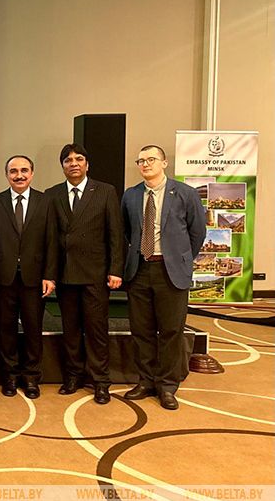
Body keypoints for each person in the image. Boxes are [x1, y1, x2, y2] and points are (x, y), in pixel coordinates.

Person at [122, 145, 205, 410]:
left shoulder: (185, 193)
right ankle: (146, 381)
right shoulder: (131, 195)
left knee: (171, 330)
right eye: (141, 161)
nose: (146, 164)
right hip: (140, 270)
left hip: (171, 272)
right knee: (142, 330)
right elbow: (127, 231)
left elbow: (197, 232)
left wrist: (180, 259)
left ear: (164, 163)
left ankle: (167, 386)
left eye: (151, 159)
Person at [45, 144, 123, 405]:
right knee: (70, 330)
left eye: (79, 159)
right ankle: (73, 376)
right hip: (66, 274)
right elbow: (51, 239)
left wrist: (115, 269)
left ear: (87, 164)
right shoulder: (52, 194)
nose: (74, 163)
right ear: (62, 166)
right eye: (68, 160)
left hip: (95, 274)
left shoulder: (105, 191)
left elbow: (115, 234)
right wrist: (50, 274)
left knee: (96, 330)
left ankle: (100, 381)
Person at [0, 155, 57, 399]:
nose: (19, 175)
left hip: (35, 279)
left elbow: (51, 241)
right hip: (3, 278)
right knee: (5, 328)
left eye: (24, 170)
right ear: (6, 175)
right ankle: (10, 375)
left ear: (32, 173)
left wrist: (50, 275)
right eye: (14, 171)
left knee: (33, 329)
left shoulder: (45, 202)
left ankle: (31, 377)